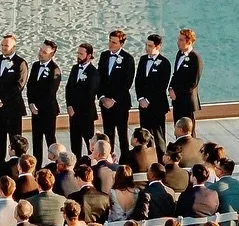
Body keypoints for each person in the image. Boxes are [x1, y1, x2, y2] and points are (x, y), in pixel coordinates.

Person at [0, 34, 29, 172]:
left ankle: (17, 168)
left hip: (12, 109)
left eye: (6, 45)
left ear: (14, 47)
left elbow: (19, 86)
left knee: (15, 141)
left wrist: (1, 98)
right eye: (2, 45)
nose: (3, 48)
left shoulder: (21, 63)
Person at [96, 31, 136, 163]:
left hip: (120, 103)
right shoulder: (104, 56)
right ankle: (108, 160)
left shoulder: (128, 59)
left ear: (121, 44)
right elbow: (99, 78)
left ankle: (125, 163)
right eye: (110, 41)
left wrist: (113, 99)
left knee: (122, 134)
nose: (110, 44)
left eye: (114, 42)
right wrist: (102, 97)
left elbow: (127, 83)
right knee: (108, 134)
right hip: (105, 103)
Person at [134, 34, 173, 156]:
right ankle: (147, 158)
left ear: (158, 46)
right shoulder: (143, 60)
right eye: (146, 45)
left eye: (150, 46)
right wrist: (140, 98)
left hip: (157, 106)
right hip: (143, 105)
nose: (147, 48)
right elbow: (138, 80)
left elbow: (161, 86)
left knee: (158, 135)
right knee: (145, 135)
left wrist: (148, 100)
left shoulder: (165, 63)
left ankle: (162, 159)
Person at [27, 41, 62, 165]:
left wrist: (38, 107)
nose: (40, 53)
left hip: (48, 111)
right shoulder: (35, 66)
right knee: (36, 140)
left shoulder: (55, 70)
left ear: (51, 55)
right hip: (35, 110)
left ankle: (57, 165)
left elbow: (50, 92)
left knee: (50, 140)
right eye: (40, 50)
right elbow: (30, 85)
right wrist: (31, 103)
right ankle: (37, 167)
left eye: (44, 52)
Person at [64, 44, 100, 159]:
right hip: (73, 113)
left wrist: (76, 109)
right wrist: (69, 105)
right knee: (75, 143)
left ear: (89, 56)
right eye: (78, 53)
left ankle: (91, 164)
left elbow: (89, 95)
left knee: (89, 143)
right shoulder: (75, 68)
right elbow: (68, 88)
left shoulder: (93, 73)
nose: (78, 56)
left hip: (86, 114)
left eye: (81, 54)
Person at [170, 29, 201, 127]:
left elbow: (193, 83)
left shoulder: (195, 58)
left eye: (181, 40)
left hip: (187, 101)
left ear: (189, 42)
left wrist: (177, 93)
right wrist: (171, 88)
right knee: (177, 127)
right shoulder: (179, 54)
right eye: (178, 39)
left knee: (187, 129)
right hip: (177, 100)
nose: (178, 42)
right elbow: (176, 74)